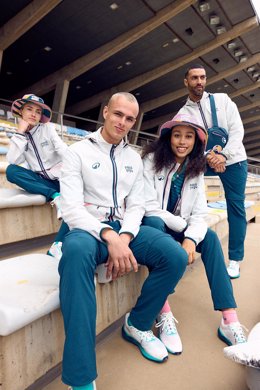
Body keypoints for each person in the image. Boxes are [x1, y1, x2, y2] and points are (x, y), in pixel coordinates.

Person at [58, 92, 188, 390]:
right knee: (75, 253)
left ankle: (138, 324)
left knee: (175, 255)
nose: (123, 123)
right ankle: (81, 378)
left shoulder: (134, 157)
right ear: (105, 112)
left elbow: (138, 205)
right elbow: (71, 208)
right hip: (90, 230)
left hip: (126, 229)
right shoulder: (76, 151)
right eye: (118, 114)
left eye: (130, 119)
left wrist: (125, 237)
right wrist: (108, 236)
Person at [142, 113, 247, 355]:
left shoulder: (197, 168)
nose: (182, 141)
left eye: (188, 136)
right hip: (153, 226)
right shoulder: (150, 160)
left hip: (179, 229)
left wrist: (191, 239)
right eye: (177, 135)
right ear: (168, 137)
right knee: (155, 222)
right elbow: (148, 206)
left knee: (208, 237)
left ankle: (229, 319)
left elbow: (200, 213)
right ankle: (163, 308)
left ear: (196, 141)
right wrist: (183, 229)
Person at [177, 64, 248, 279]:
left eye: (202, 77)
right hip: (205, 161)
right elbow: (188, 143)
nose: (199, 81)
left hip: (234, 160)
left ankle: (235, 260)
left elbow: (237, 130)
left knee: (236, 206)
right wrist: (210, 156)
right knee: (180, 184)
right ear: (186, 82)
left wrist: (224, 155)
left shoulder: (223, 100)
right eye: (194, 78)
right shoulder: (183, 113)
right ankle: (179, 239)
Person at [6, 94, 68, 219]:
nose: (34, 114)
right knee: (11, 171)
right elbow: (13, 160)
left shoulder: (48, 129)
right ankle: (56, 197)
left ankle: (59, 198)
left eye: (38, 112)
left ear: (40, 116)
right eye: (29, 109)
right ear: (21, 111)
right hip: (44, 184)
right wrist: (20, 133)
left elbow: (63, 150)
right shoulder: (19, 136)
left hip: (62, 181)